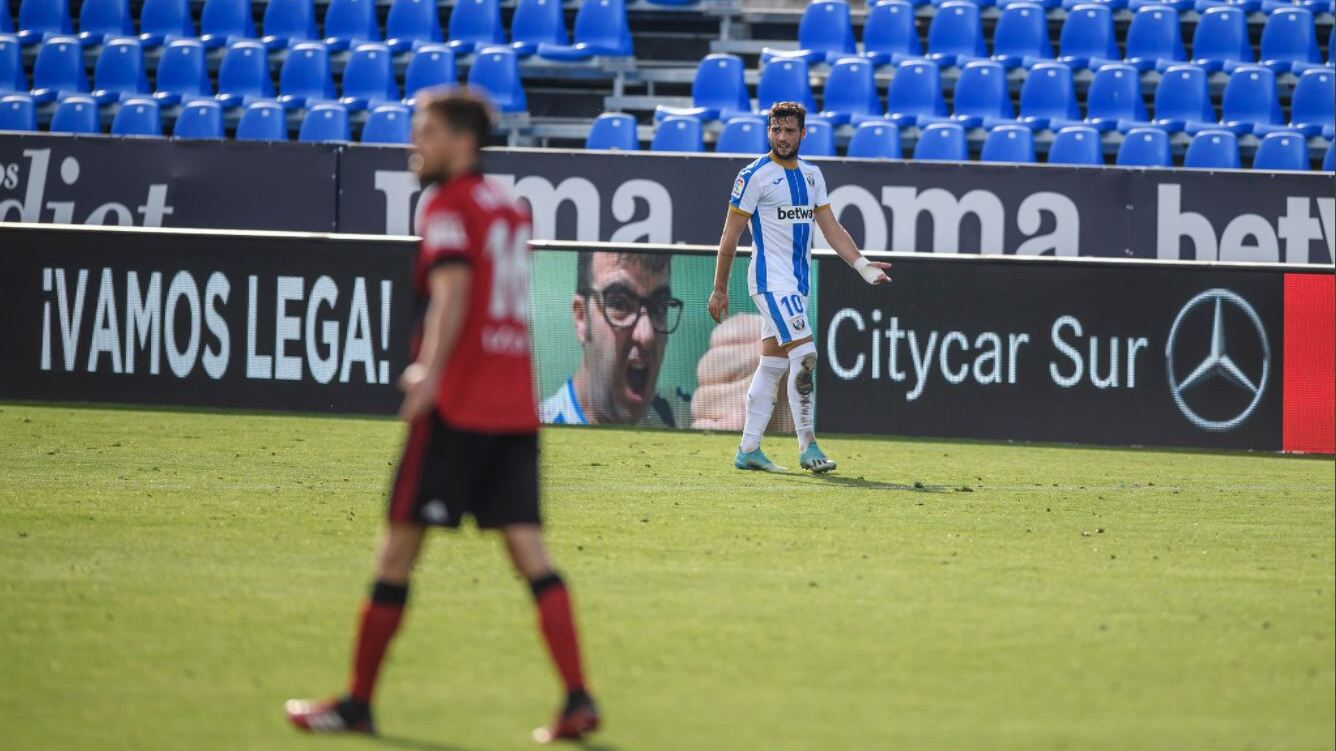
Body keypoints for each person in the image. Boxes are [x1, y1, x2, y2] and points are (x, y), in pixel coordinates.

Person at [284, 88, 599, 744]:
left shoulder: (449, 204)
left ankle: (358, 703)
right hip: (513, 407)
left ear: (461, 141)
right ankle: (577, 696)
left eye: (425, 132)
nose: (414, 145)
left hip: (458, 406)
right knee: (530, 552)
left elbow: (453, 290)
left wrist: (428, 372)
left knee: (396, 549)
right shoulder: (508, 207)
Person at [708, 101, 892, 474]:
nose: (782, 137)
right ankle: (808, 446)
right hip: (769, 281)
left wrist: (861, 265)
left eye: (789, 131)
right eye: (776, 130)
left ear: (803, 133)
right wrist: (719, 288)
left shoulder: (812, 176)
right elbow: (730, 234)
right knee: (805, 355)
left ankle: (749, 450)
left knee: (773, 364)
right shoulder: (753, 175)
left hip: (797, 284)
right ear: (768, 131)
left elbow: (830, 227)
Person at [540, 250, 683, 428]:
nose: (646, 335)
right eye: (620, 304)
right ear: (581, 317)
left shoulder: (686, 418)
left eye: (659, 307)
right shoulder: (534, 437)